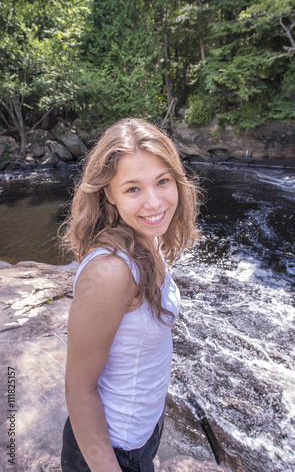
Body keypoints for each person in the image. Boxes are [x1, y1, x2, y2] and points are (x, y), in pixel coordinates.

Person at [60, 118, 201, 472]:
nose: (154, 202)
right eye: (133, 188)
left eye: (162, 181)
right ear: (109, 192)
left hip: (144, 433)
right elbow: (79, 389)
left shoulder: (145, 238)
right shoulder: (111, 271)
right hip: (111, 452)